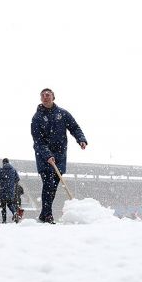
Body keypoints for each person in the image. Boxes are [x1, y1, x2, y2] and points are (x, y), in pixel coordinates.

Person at [31, 88, 87, 224]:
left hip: (60, 155)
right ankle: (48, 214)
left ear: (53, 97)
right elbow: (38, 140)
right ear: (40, 99)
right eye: (43, 95)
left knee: (53, 187)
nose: (45, 97)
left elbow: (74, 127)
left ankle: (43, 215)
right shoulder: (37, 117)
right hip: (44, 157)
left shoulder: (62, 113)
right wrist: (47, 155)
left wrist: (81, 139)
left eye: (48, 95)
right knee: (48, 184)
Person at [0, 158, 20, 223]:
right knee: (10, 204)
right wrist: (11, 183)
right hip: (11, 191)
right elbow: (17, 179)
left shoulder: (1, 170)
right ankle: (14, 212)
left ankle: (4, 220)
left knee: (3, 206)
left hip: (3, 191)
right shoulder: (13, 170)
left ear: (3, 163)